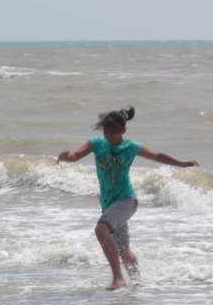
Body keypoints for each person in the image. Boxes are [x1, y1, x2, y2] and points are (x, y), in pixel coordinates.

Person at [57, 106, 199, 290]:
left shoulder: (130, 147)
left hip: (126, 200)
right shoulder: (96, 143)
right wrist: (66, 156)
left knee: (101, 230)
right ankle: (137, 282)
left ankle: (118, 278)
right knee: (123, 249)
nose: (111, 136)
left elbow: (157, 156)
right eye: (108, 133)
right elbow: (75, 156)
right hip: (108, 203)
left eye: (115, 133)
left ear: (123, 130)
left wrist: (181, 164)